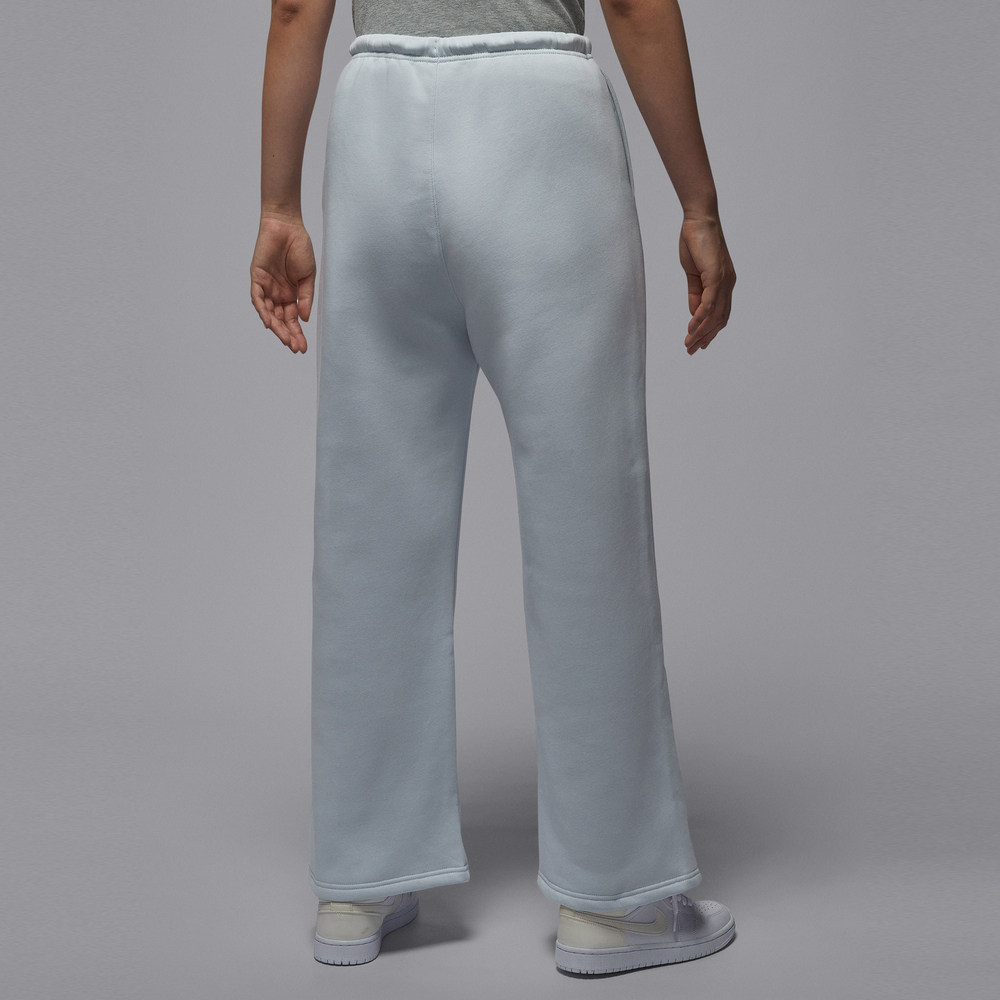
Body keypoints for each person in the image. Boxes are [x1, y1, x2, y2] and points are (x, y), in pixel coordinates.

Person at [250, 0, 737, 976]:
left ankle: (359, 878)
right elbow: (633, 3)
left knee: (371, 519)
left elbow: (300, 6)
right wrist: (700, 207)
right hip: (540, 123)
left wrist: (278, 206)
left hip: (379, 123)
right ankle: (612, 899)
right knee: (586, 510)